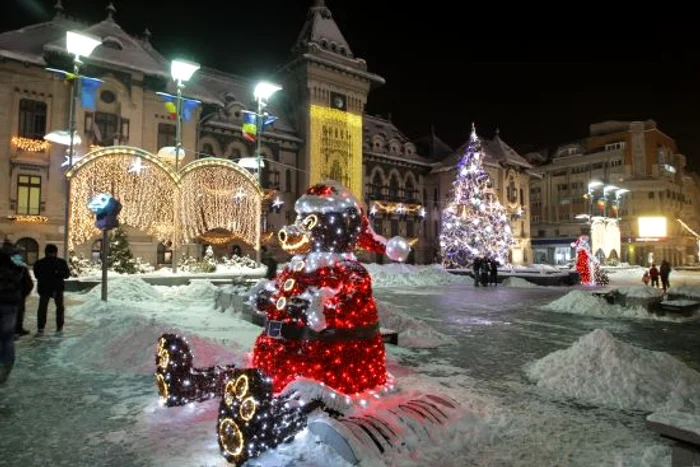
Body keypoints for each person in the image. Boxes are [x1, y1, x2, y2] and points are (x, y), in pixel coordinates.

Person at [0, 246, 30, 385]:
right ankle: (7, 365)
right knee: (7, 337)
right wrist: (20, 297)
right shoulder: (19, 268)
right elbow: (28, 284)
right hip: (11, 305)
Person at [32, 244, 70, 334]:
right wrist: (57, 273)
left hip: (47, 288)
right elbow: (67, 275)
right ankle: (58, 327)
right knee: (58, 308)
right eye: (51, 253)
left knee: (43, 308)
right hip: (55, 288)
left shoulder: (40, 263)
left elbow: (37, 275)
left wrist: (53, 274)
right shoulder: (61, 262)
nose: (52, 255)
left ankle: (42, 327)